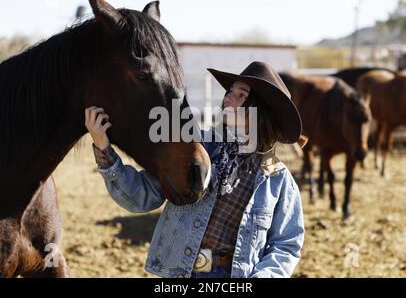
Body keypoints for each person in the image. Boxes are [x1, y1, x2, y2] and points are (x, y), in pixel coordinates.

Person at [85, 61, 306, 278]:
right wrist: (103, 147)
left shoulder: (277, 179)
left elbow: (286, 244)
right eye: (230, 91)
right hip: (179, 272)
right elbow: (141, 197)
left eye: (241, 95)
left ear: (261, 111)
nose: (228, 96)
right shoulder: (194, 146)